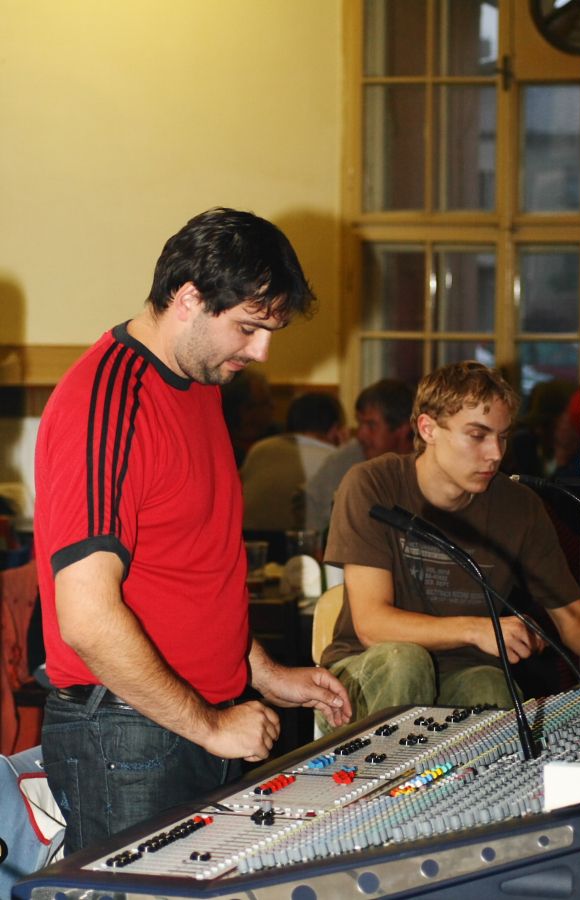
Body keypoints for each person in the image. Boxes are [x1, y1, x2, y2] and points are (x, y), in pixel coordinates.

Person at [34, 207, 351, 854]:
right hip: (127, 732)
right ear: (188, 299)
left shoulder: (201, 386)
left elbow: (191, 571)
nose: (260, 352)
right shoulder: (106, 402)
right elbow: (87, 619)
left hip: (192, 716)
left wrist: (262, 671)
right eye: (249, 328)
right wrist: (209, 725)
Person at [318, 360, 580, 731]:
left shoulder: (521, 507)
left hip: (465, 673)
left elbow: (575, 620)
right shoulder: (373, 484)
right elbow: (372, 625)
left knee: (489, 684)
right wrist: (477, 630)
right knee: (406, 662)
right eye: (477, 435)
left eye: (502, 437)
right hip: (366, 669)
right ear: (428, 428)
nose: (495, 454)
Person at [303, 379, 414, 534]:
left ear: (402, 429)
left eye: (371, 425)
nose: (361, 434)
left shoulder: (427, 461)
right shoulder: (346, 459)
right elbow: (313, 515)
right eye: (359, 423)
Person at [241, 391, 346, 531]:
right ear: (335, 430)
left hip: (246, 538)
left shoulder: (258, 449)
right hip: (301, 541)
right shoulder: (332, 458)